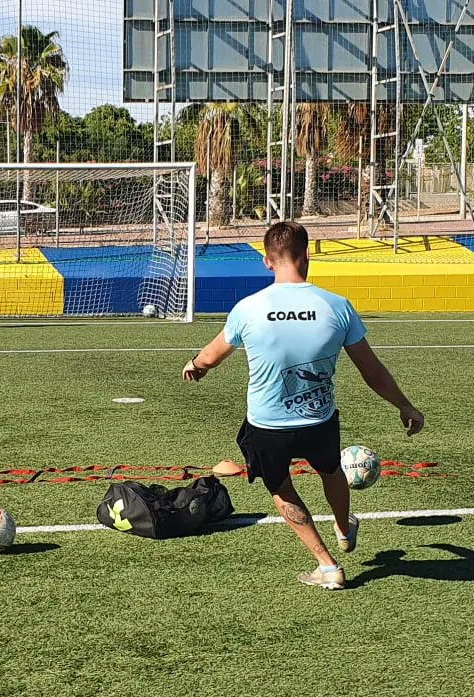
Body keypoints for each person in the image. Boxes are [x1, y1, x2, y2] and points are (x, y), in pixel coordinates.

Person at [182, 222, 424, 590]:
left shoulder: (249, 308)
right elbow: (371, 370)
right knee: (331, 471)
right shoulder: (336, 306)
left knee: (280, 488)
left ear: (266, 261)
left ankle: (328, 566)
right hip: (319, 420)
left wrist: (195, 366)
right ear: (307, 255)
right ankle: (344, 528)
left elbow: (211, 357)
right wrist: (406, 406)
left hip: (266, 425)